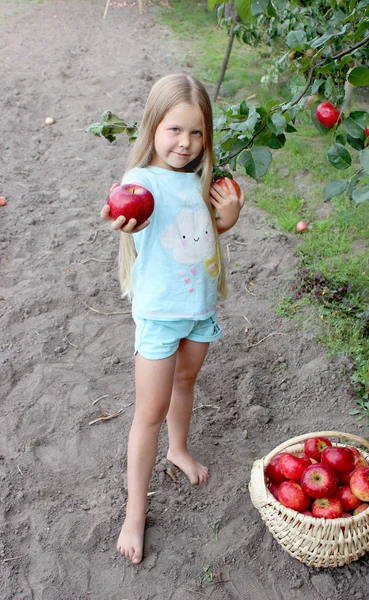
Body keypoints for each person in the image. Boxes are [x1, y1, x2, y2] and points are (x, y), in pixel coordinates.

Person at [100, 73, 244, 565]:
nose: (185, 143)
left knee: (187, 383)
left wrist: (228, 218)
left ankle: (178, 450)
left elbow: (205, 235)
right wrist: (127, 216)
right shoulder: (143, 182)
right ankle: (134, 512)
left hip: (200, 310)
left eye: (196, 132)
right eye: (174, 130)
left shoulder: (205, 179)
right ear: (152, 129)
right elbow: (134, 216)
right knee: (149, 412)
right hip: (160, 317)